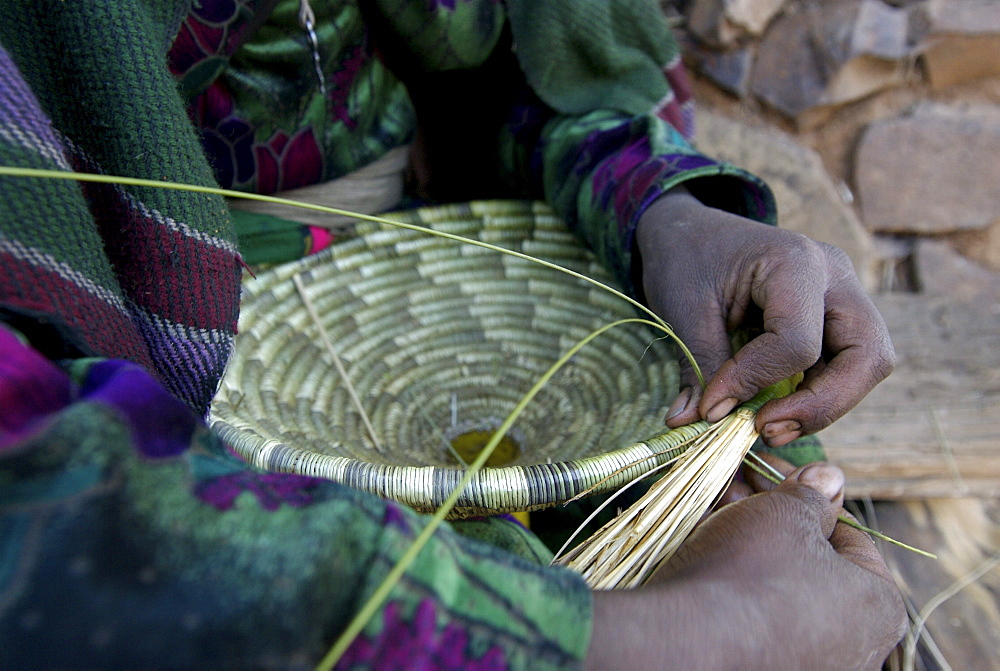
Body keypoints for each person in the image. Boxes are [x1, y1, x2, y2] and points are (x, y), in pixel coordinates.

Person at [0, 0, 905, 668]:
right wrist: (700, 637)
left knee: (757, 491)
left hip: (466, 255)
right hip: (162, 350)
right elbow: (51, 524)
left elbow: (532, 78)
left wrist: (663, 209)